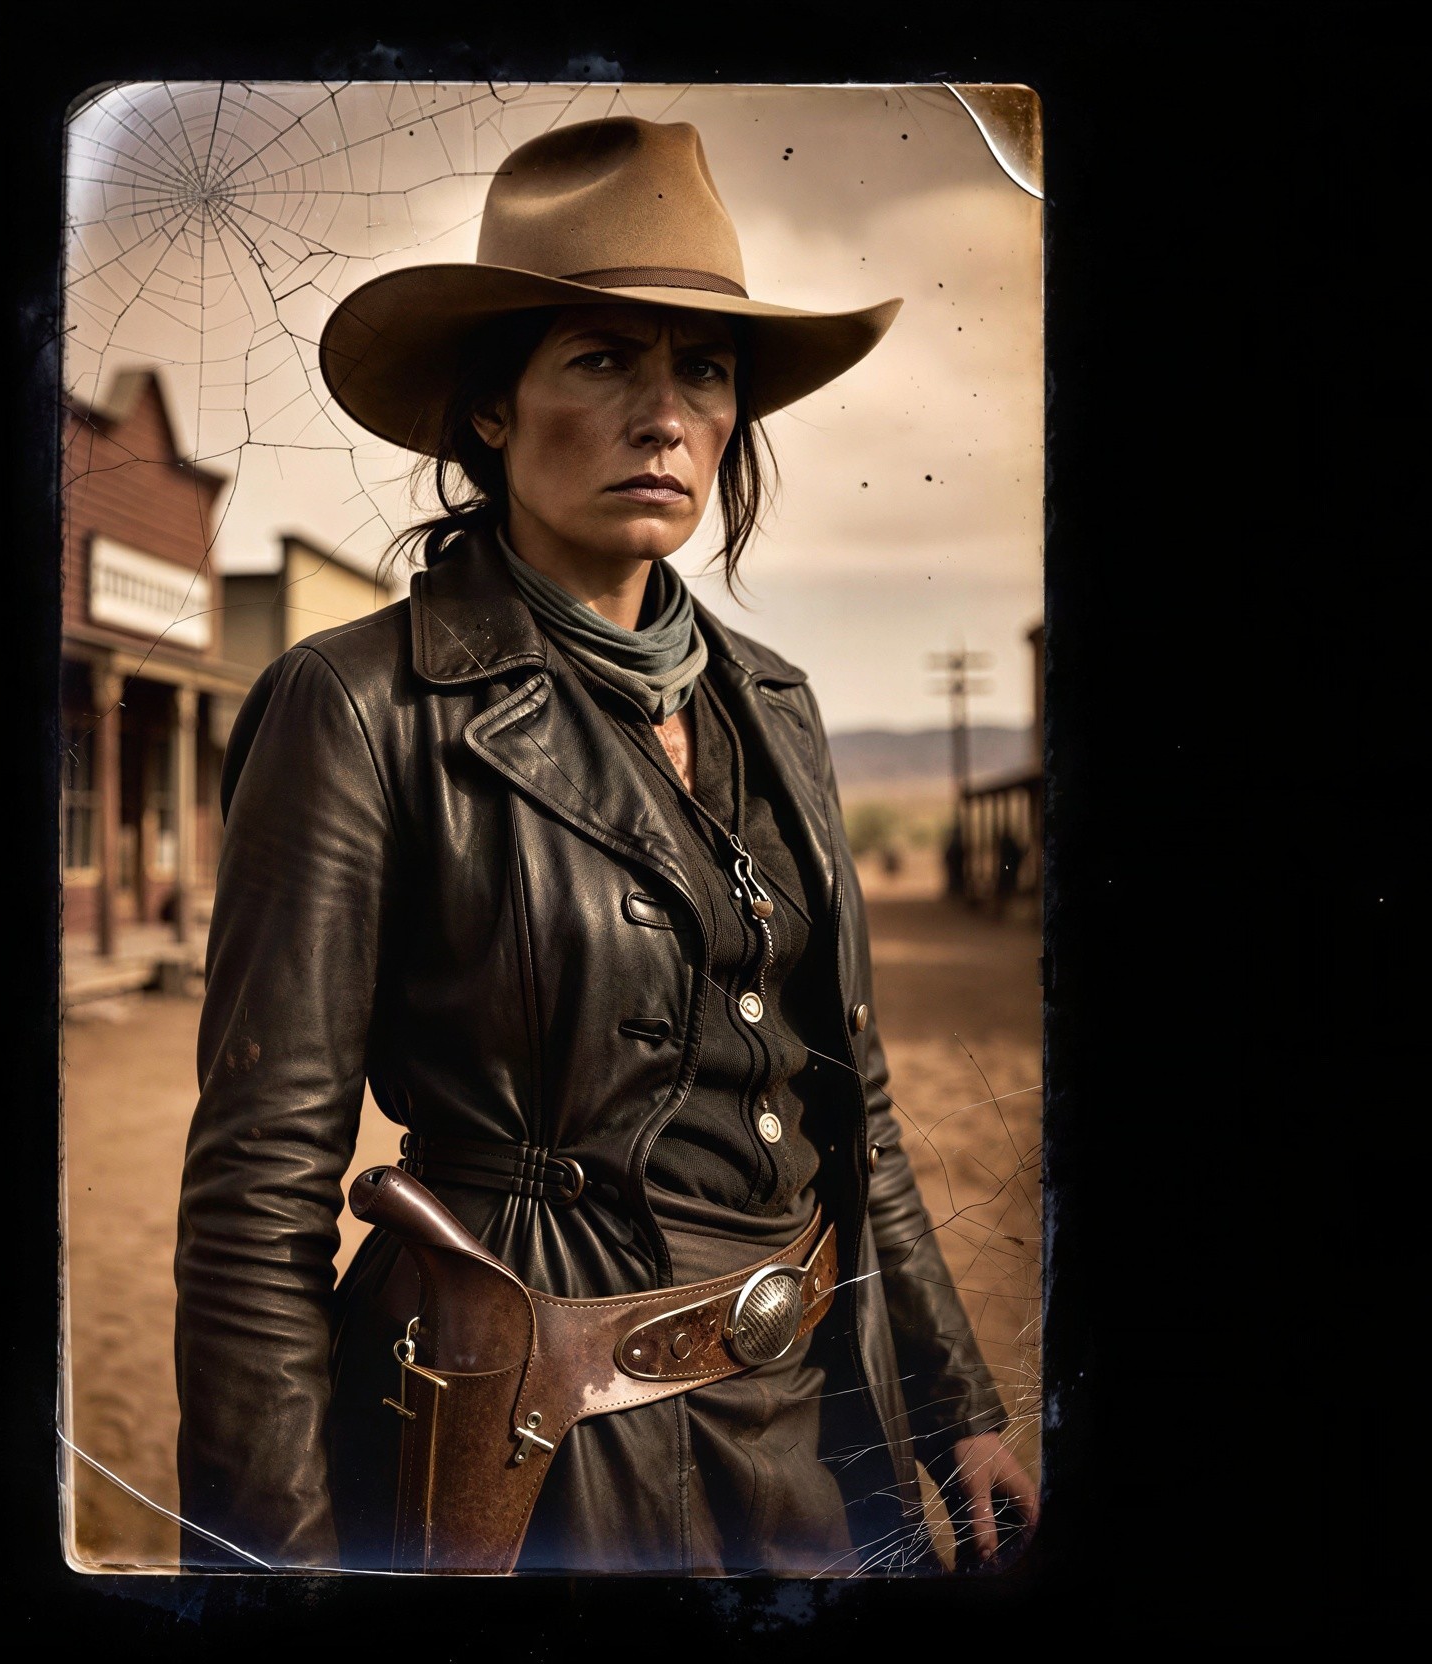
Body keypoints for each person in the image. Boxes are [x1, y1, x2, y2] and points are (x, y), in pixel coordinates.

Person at [175, 115, 1037, 1575]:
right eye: (600, 360)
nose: (664, 414)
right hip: (514, 1452)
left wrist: (959, 1397)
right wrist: (278, 1570)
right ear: (493, 411)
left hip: (800, 1427)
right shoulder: (361, 706)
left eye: (703, 368)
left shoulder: (778, 704)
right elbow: (256, 1202)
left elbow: (857, 1106)